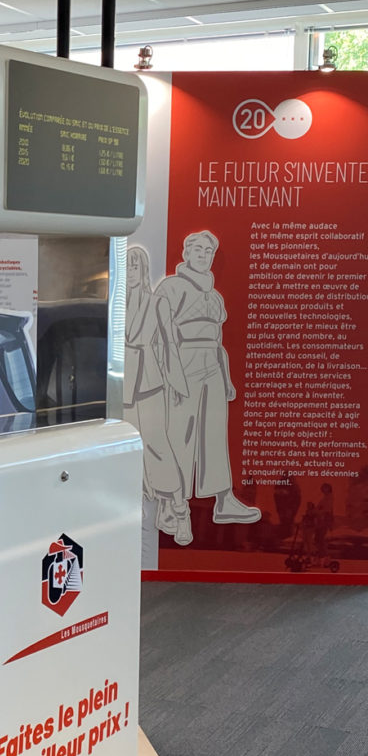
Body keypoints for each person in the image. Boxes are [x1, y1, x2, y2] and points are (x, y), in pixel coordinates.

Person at [155, 230, 260, 527]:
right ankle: (168, 506)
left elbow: (218, 341)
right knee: (180, 436)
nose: (203, 255)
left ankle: (224, 500)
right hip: (184, 367)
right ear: (186, 253)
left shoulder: (214, 296)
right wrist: (172, 377)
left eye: (208, 251)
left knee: (214, 435)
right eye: (197, 249)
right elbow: (163, 338)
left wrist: (226, 378)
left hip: (212, 368)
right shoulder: (171, 287)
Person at [123, 245, 192, 545]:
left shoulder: (157, 303)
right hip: (123, 387)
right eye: (126, 266)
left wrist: (177, 384)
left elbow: (170, 347)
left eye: (135, 266)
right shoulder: (115, 305)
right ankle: (133, 507)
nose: (131, 272)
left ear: (144, 269)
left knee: (157, 447)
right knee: (127, 448)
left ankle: (180, 511)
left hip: (151, 383)